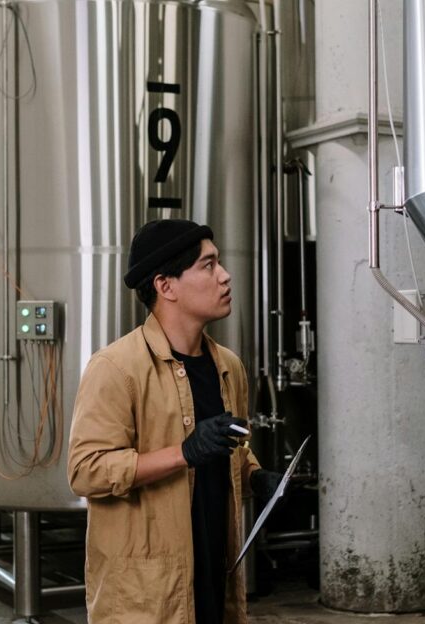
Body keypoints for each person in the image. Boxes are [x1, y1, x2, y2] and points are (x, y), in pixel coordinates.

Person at [68, 220, 284, 624]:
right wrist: (184, 452)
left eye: (219, 263)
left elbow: (233, 447)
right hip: (147, 598)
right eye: (208, 265)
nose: (225, 276)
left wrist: (255, 477)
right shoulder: (116, 368)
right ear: (166, 286)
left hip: (214, 578)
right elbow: (85, 471)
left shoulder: (228, 366)